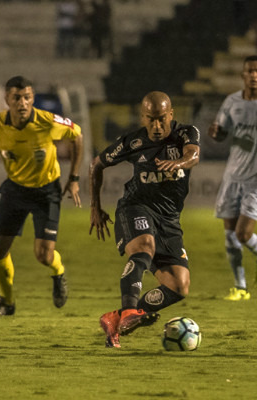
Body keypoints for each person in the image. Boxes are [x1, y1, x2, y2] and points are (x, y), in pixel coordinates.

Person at [0, 75, 83, 316]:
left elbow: (76, 136)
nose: (23, 103)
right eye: (17, 97)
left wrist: (74, 178)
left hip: (46, 191)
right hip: (15, 189)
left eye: (27, 97)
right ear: (7, 99)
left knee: (43, 255)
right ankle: (7, 302)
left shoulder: (47, 121)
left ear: (32, 99)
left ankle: (58, 272)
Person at [90, 91, 201, 348]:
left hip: (169, 220)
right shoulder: (133, 142)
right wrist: (95, 207)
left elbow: (194, 155)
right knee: (144, 247)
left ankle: (115, 319)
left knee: (179, 286)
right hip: (135, 208)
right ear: (143, 117)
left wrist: (180, 163)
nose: (157, 125)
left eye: (162, 118)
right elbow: (96, 164)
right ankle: (130, 310)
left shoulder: (186, 133)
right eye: (151, 119)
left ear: (171, 114)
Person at [208, 55, 257, 301]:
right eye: (249, 71)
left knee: (243, 234)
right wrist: (216, 133)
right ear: (243, 75)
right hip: (233, 176)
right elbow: (220, 133)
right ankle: (240, 287)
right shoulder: (231, 102)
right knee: (229, 235)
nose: (253, 75)